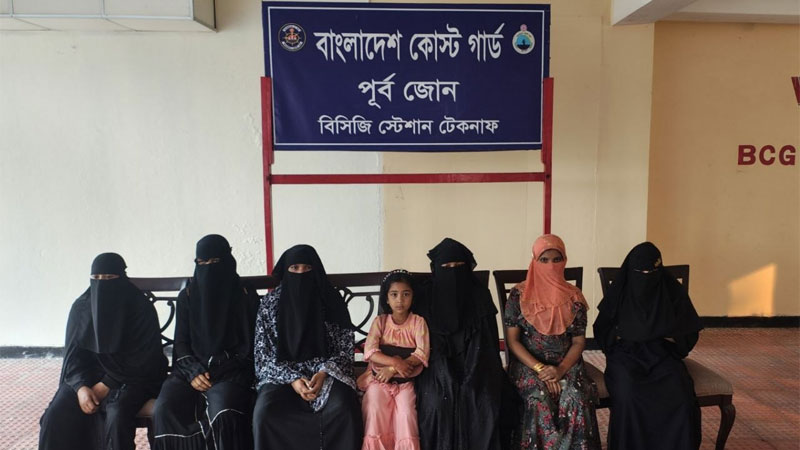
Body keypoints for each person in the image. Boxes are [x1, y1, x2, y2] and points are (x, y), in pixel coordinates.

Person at [39, 253, 168, 450]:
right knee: (56, 415)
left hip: (133, 378)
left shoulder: (140, 308)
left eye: (109, 278)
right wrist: (81, 388)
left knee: (116, 414)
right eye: (96, 278)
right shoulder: (82, 307)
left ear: (122, 278)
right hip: (87, 377)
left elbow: (146, 359)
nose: (102, 284)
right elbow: (73, 358)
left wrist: (107, 383)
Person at [152, 234, 260, 450]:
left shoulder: (245, 295)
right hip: (190, 371)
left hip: (232, 370)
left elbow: (250, 347)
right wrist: (193, 371)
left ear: (228, 261)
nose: (208, 268)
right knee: (165, 407)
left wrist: (216, 368)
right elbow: (181, 342)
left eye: (215, 262)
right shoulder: (188, 296)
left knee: (224, 411)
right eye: (202, 263)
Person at [593, 242, 703, 450]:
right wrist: (628, 335)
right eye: (640, 273)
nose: (645, 277)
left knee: (680, 394)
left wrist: (661, 336)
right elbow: (603, 330)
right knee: (629, 394)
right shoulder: (621, 292)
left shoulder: (672, 291)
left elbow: (688, 333)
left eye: (651, 272)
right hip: (626, 356)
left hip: (663, 355)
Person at [252, 244, 362, 450]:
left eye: (307, 268)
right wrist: (293, 379)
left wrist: (323, 373)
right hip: (281, 375)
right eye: (295, 268)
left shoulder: (330, 301)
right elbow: (263, 355)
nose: (301, 273)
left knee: (344, 409)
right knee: (265, 413)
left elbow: (344, 347)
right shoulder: (270, 304)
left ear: (316, 270)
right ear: (286, 271)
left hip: (327, 372)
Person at [414, 237, 519, 450]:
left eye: (458, 267)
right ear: (435, 270)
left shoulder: (480, 295)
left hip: (479, 364)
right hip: (435, 365)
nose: (453, 273)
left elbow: (487, 346)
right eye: (446, 267)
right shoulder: (425, 298)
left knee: (483, 400)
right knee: (437, 401)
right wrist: (446, 374)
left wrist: (471, 376)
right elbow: (424, 342)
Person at [503, 235, 601, 449]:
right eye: (544, 260)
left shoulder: (574, 297)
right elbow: (513, 341)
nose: (551, 265)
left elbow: (578, 342)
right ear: (534, 261)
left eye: (557, 259)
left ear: (565, 260)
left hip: (567, 363)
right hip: (528, 364)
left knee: (575, 397)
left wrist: (560, 370)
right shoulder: (519, 296)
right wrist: (540, 369)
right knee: (539, 397)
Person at [359, 270, 430, 450]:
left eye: (406, 294)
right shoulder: (380, 322)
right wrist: (395, 362)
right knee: (375, 407)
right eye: (394, 294)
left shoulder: (418, 322)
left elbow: (421, 353)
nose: (400, 300)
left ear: (413, 297)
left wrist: (393, 369)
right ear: (387, 298)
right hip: (379, 379)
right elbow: (370, 351)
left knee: (406, 412)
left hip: (406, 381)